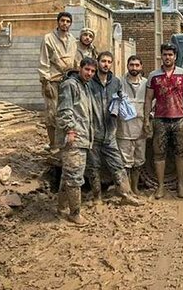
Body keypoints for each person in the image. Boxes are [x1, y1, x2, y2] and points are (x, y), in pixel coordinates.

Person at [144, 43, 183, 199]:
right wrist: (147, 119)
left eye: (170, 55)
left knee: (181, 153)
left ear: (175, 56)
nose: (168, 57)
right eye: (165, 54)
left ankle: (180, 186)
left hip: (179, 119)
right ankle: (160, 187)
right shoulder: (154, 75)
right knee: (158, 153)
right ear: (161, 55)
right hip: (160, 119)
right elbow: (148, 99)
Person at [88, 51, 143, 206]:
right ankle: (97, 197)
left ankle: (126, 194)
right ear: (97, 62)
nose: (106, 64)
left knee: (118, 164)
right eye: (103, 61)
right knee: (93, 167)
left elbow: (121, 99)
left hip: (110, 132)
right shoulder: (90, 81)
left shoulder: (115, 82)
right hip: (93, 131)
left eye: (109, 61)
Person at [56, 57, 97, 225]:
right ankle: (75, 213)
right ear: (80, 68)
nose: (89, 73)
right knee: (74, 176)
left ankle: (61, 207)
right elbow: (65, 110)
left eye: (92, 71)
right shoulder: (70, 85)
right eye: (87, 69)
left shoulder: (84, 86)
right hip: (75, 138)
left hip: (83, 138)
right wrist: (70, 130)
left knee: (68, 174)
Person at [38, 12, 78, 148]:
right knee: (52, 113)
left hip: (68, 81)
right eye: (62, 21)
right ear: (58, 22)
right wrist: (45, 81)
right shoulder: (48, 38)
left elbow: (75, 61)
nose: (65, 23)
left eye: (68, 21)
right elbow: (44, 61)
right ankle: (53, 144)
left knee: (66, 112)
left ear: (70, 24)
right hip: (53, 81)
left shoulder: (73, 40)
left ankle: (64, 144)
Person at [117, 55, 147, 196]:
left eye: (137, 65)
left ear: (141, 67)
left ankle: (135, 188)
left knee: (139, 161)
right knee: (125, 162)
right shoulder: (119, 83)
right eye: (131, 65)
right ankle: (126, 190)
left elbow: (151, 104)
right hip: (124, 129)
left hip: (141, 129)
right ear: (127, 66)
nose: (134, 68)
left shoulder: (146, 84)